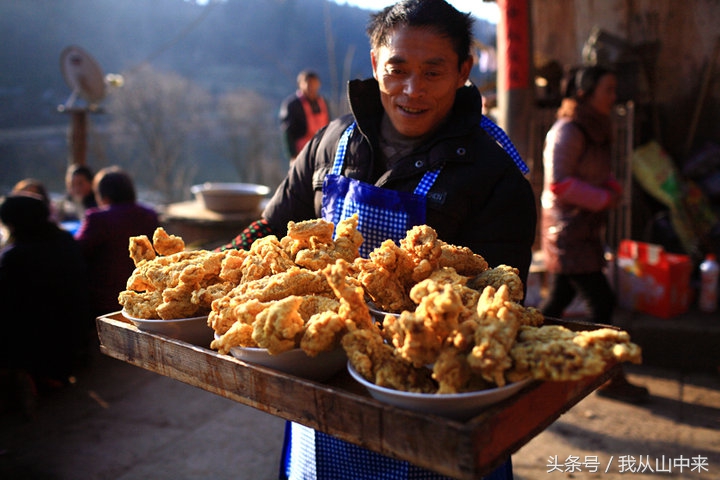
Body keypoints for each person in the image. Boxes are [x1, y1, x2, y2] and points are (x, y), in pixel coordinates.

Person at [221, 1, 537, 478]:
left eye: (433, 72)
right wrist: (215, 264)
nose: (412, 90)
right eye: (398, 70)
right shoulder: (330, 145)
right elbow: (271, 229)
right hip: (321, 388)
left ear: (463, 72)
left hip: (429, 402)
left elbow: (501, 298)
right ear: (374, 64)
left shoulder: (494, 174)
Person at [539, 65, 649, 403]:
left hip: (583, 228)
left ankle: (528, 359)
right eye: (608, 89)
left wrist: (611, 187)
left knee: (556, 302)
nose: (614, 97)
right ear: (586, 93)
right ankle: (607, 377)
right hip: (567, 230)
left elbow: (600, 170)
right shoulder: (568, 130)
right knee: (601, 300)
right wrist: (604, 198)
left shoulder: (594, 127)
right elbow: (560, 182)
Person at [0, 193, 92, 412]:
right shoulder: (65, 241)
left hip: (39, 342)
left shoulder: (14, 257)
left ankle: (27, 377)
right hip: (76, 333)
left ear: (13, 224)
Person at [74, 166, 160, 318]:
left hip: (106, 301)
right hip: (146, 295)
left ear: (103, 196)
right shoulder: (149, 214)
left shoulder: (97, 219)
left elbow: (75, 251)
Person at [279, 69, 331, 161]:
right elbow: (287, 132)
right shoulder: (292, 105)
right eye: (308, 83)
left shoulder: (323, 102)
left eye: (314, 83)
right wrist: (293, 155)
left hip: (322, 151)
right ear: (300, 84)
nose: (311, 87)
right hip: (301, 154)